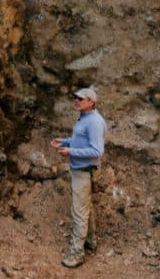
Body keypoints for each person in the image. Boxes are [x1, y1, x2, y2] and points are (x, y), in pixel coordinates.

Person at [51, 85, 107, 268]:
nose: (76, 100)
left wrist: (71, 151)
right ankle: (90, 241)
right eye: (75, 97)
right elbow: (81, 139)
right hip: (79, 170)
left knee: (79, 213)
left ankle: (77, 254)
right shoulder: (85, 117)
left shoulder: (94, 122)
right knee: (86, 208)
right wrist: (65, 141)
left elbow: (97, 150)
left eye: (80, 98)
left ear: (91, 102)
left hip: (84, 172)